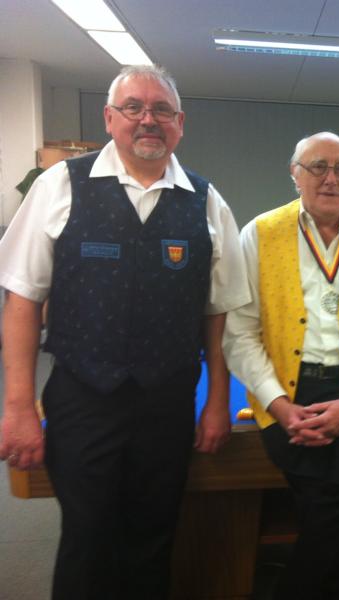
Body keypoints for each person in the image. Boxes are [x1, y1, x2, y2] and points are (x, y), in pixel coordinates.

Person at [0, 65, 250, 599]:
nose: (148, 119)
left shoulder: (206, 200)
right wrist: (18, 407)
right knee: (87, 538)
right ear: (110, 118)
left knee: (153, 538)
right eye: (133, 107)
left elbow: (219, 311)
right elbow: (22, 300)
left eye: (161, 110)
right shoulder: (59, 185)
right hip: (83, 399)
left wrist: (217, 401)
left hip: (168, 402)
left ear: (180, 123)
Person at [222, 131, 339, 600]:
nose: (330, 178)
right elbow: (240, 332)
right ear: (295, 174)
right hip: (288, 392)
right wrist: (278, 405)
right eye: (317, 167)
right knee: (319, 499)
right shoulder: (260, 233)